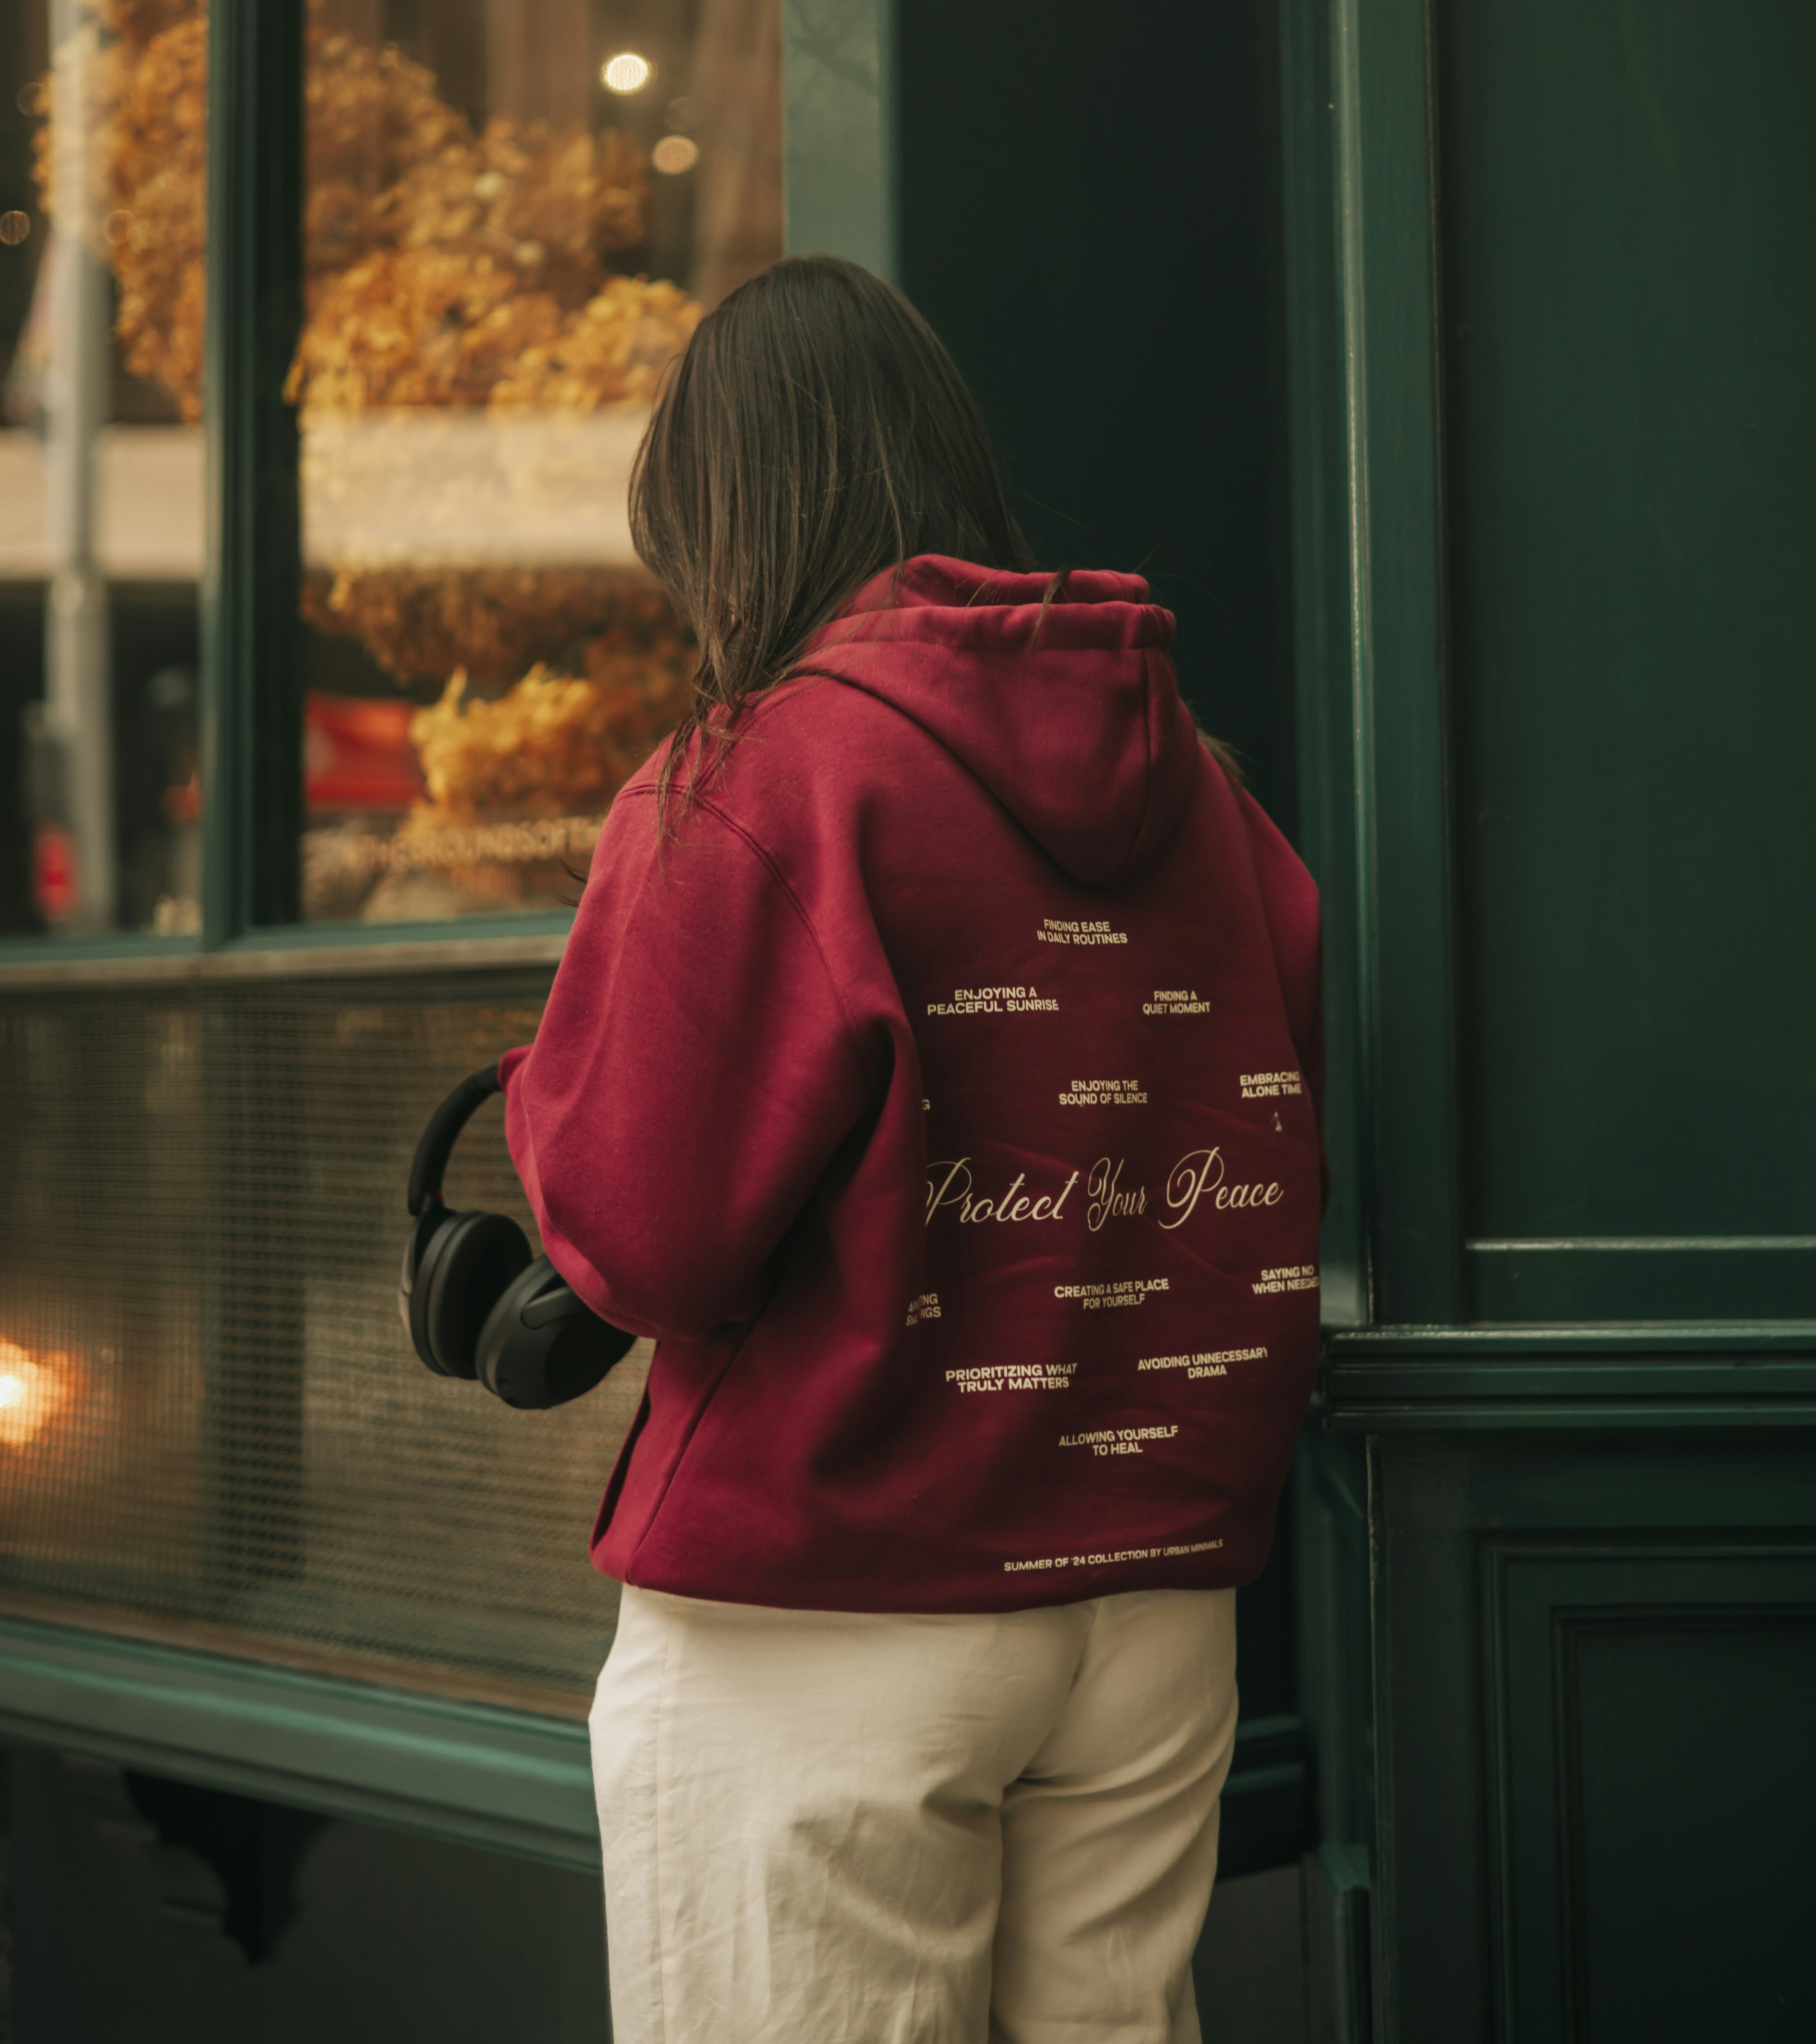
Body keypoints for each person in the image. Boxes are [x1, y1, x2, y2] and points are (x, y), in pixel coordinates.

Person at [501, 254, 1325, 2044]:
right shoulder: (1204, 790)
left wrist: (550, 1073)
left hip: (831, 1605)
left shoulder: (756, 776)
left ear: (720, 520)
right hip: (1148, 1600)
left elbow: (644, 1241)